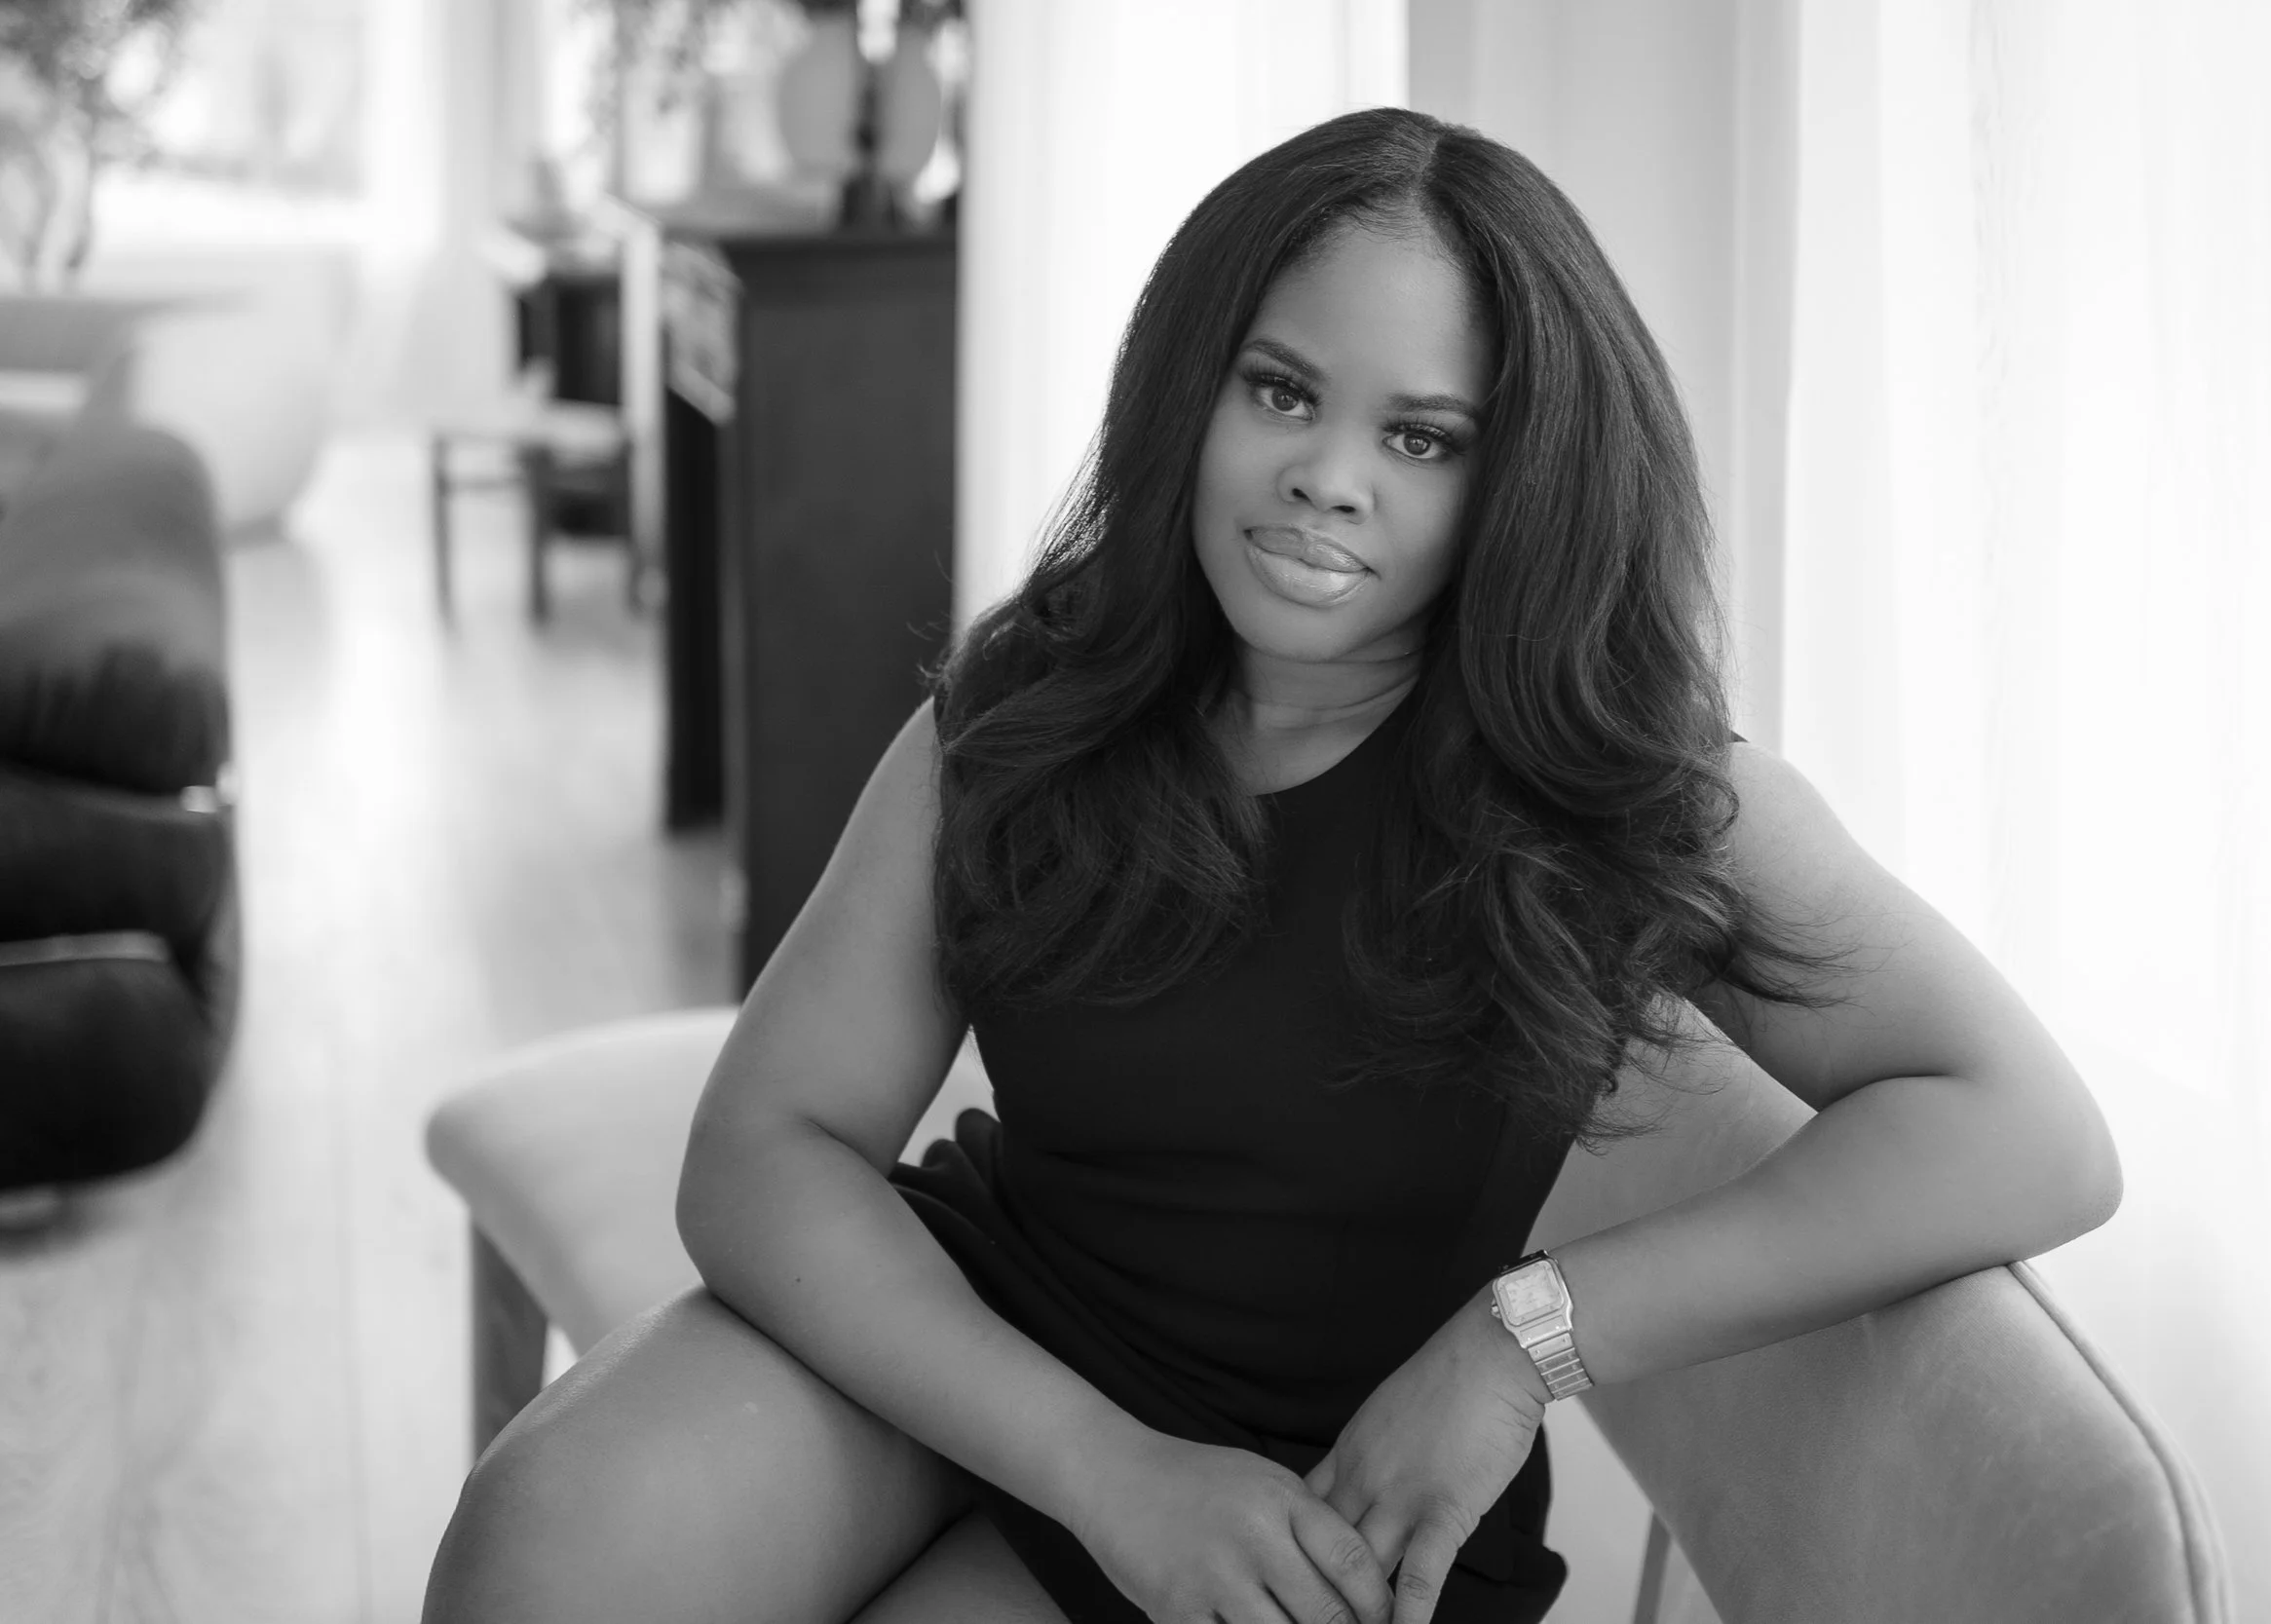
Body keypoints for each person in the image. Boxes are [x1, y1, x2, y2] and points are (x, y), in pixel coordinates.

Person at [423, 107, 2121, 1624]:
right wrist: (1098, 1463)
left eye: (1424, 437)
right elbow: (760, 1154)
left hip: (1327, 1495)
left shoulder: (1634, 793)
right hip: (989, 1338)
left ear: (1517, 478)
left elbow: (2030, 1129)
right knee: (545, 1550)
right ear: (1195, 386)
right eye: (1284, 391)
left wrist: (1522, 1340)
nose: (1327, 478)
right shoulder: (1042, 698)